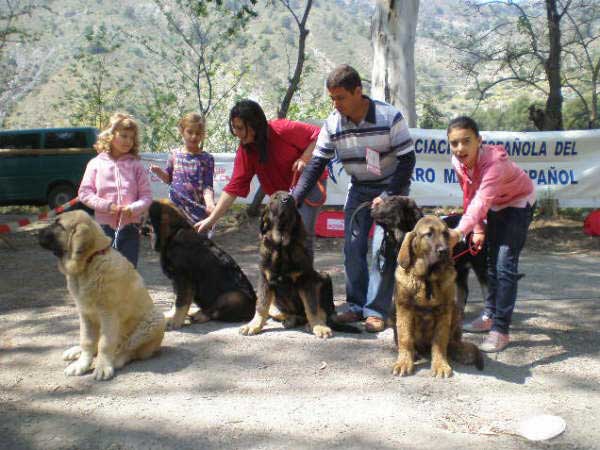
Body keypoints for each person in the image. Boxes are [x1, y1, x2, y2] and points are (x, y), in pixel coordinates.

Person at [292, 64, 415, 333]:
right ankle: (356, 305)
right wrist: (294, 198)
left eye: (341, 98)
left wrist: (387, 195)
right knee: (353, 248)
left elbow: (407, 161)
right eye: (332, 99)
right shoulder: (332, 123)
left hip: (391, 189)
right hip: (359, 187)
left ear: (358, 91)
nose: (336, 104)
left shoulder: (389, 117)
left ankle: (376, 311)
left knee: (383, 250)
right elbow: (315, 165)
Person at [194, 99, 327, 262]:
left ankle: (304, 282)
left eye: (240, 128)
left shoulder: (282, 129)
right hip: (282, 198)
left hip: (308, 186)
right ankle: (284, 280)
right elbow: (233, 188)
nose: (236, 132)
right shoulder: (246, 151)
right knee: (280, 238)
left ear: (255, 125)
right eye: (234, 127)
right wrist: (212, 219)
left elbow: (321, 135)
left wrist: (305, 157)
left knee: (302, 235)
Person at [447, 116, 535, 353]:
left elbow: (481, 200)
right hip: (496, 205)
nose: (460, 148)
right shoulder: (457, 162)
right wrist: (476, 229)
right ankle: (489, 315)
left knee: (505, 264)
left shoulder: (495, 163)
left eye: (466, 141)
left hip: (518, 203)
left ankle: (500, 330)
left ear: (479, 141)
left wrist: (458, 232)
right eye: (454, 143)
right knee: (491, 264)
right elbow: (469, 194)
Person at [78, 113, 152, 268]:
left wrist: (132, 209)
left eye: (131, 138)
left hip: (131, 228)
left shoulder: (136, 165)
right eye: (124, 136)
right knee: (104, 272)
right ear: (110, 136)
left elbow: (146, 197)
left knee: (128, 273)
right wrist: (107, 206)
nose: (128, 141)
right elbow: (84, 193)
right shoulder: (95, 164)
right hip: (102, 229)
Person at [150, 112, 215, 225]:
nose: (194, 136)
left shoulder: (207, 159)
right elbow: (168, 179)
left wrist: (210, 204)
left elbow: (207, 187)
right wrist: (159, 172)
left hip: (198, 211)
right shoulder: (174, 155)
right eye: (190, 132)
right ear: (182, 131)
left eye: (198, 133)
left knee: (194, 239)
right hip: (176, 209)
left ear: (203, 134)